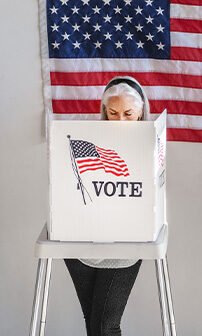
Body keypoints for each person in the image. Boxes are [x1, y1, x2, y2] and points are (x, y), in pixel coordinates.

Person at [65, 76, 150, 336]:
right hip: (82, 243)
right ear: (104, 112)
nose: (120, 120)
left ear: (140, 114)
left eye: (128, 113)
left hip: (125, 244)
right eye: (113, 113)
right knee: (93, 323)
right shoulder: (85, 141)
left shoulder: (150, 144)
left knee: (105, 326)